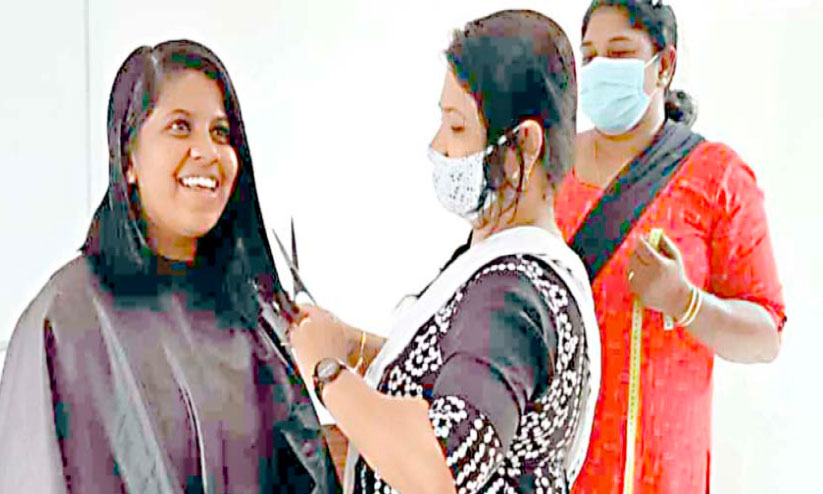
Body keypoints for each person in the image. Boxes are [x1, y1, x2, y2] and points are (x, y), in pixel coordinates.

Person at [0, 40, 338, 493]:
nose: (207, 151)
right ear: (128, 158)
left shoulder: (252, 316)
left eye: (221, 133)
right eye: (180, 127)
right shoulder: (65, 320)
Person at [285, 10, 601, 494]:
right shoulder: (511, 274)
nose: (437, 146)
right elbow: (461, 374)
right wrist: (353, 345)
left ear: (524, 144)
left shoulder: (513, 293)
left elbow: (441, 465)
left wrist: (327, 372)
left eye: (456, 127)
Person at [552, 1, 787, 492]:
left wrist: (685, 302)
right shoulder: (550, 168)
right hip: (552, 469)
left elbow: (766, 336)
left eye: (619, 53)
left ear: (664, 66)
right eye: (589, 56)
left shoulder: (717, 176)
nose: (599, 69)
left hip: (658, 475)